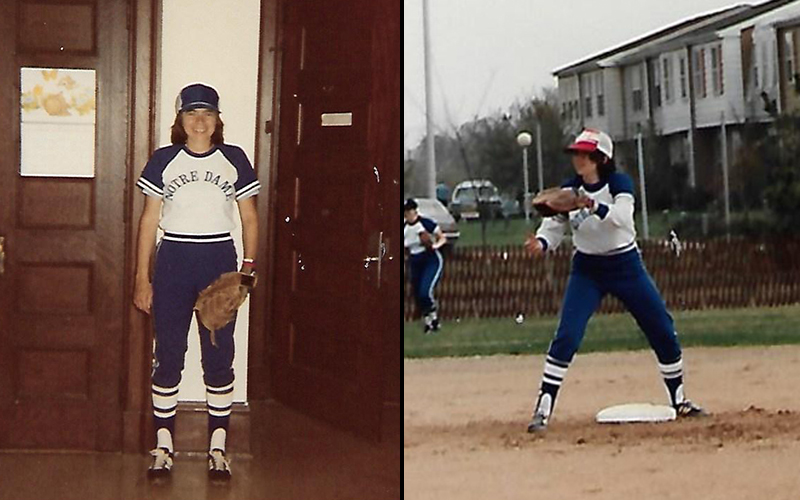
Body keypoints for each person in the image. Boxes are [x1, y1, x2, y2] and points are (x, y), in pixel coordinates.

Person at [524, 128, 705, 432]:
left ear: (600, 158)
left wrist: (592, 205)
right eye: (577, 153)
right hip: (587, 270)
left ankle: (679, 398)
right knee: (568, 334)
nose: (578, 159)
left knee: (661, 326)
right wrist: (541, 243)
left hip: (626, 266)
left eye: (584, 153)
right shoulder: (570, 190)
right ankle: (543, 407)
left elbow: (623, 217)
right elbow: (552, 227)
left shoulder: (618, 184)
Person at [133, 83, 260, 478]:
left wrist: (247, 271)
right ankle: (163, 445)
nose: (200, 121)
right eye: (191, 113)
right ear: (180, 120)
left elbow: (250, 218)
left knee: (219, 355)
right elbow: (150, 220)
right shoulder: (163, 160)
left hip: (219, 259)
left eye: (207, 113)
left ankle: (218, 446)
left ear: (218, 119)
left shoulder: (234, 158)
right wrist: (142, 278)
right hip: (173, 259)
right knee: (169, 353)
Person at [404, 198, 447, 333]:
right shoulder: (404, 227)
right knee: (417, 294)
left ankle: (434, 318)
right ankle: (428, 323)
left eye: (409, 211)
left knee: (425, 290)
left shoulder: (425, 223)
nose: (407, 214)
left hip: (430, 259)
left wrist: (435, 246)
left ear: (414, 211)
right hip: (415, 261)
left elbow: (442, 237)